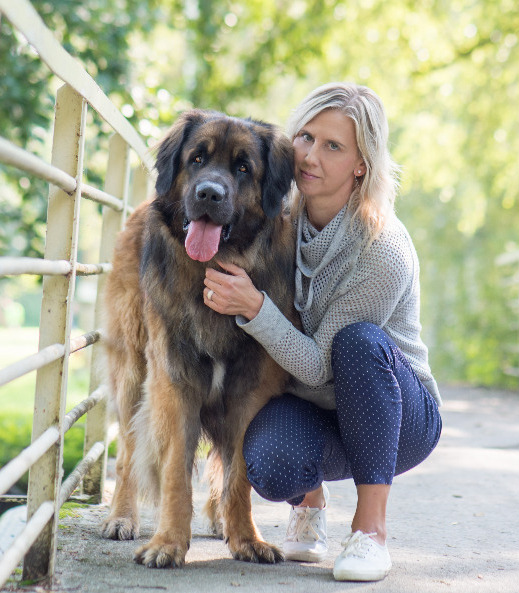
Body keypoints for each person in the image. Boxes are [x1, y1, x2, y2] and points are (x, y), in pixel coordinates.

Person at [202, 82, 442, 582]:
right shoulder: (278, 220)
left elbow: (318, 364)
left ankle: (370, 532)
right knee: (267, 460)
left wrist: (255, 306)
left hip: (397, 415)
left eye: (333, 146)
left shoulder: (382, 248)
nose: (310, 156)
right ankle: (308, 503)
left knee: (358, 342)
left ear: (362, 165)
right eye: (306, 137)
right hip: (318, 409)